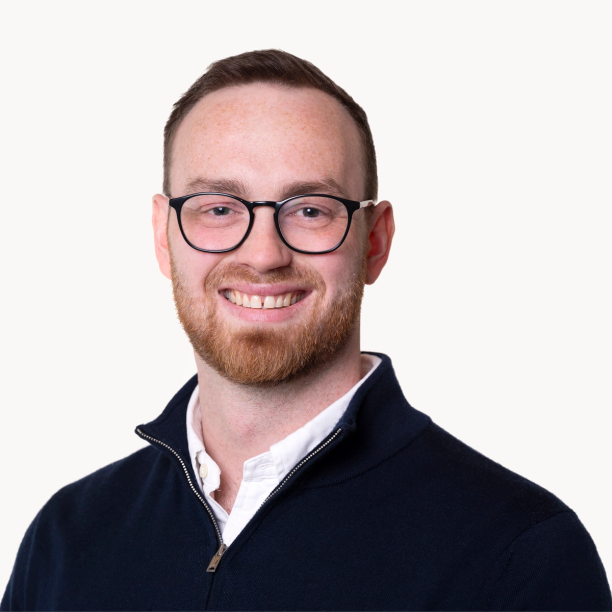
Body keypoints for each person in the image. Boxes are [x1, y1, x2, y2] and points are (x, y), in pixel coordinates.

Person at [2, 49, 610, 612]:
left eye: (311, 210)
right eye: (219, 208)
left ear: (374, 242)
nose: (263, 254)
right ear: (164, 236)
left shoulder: (520, 554)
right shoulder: (67, 539)